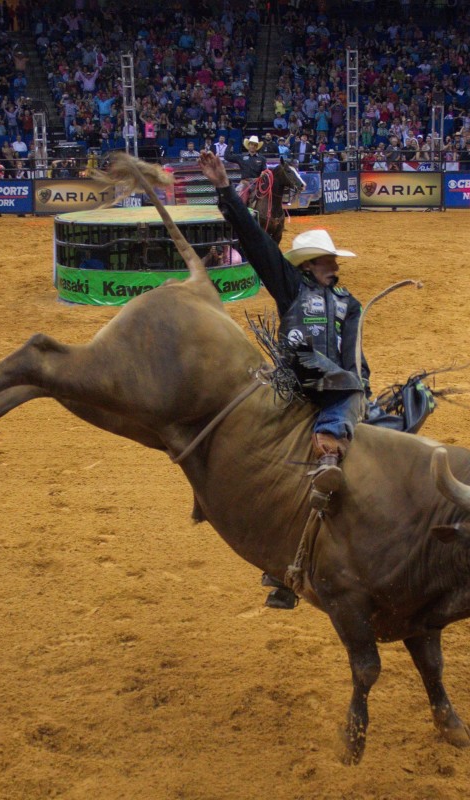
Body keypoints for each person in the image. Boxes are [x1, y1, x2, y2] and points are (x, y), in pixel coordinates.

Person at [201, 149, 368, 610]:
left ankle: (283, 570)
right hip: (297, 380)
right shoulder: (291, 286)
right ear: (309, 265)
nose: (335, 265)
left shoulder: (349, 303)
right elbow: (255, 241)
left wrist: (361, 385)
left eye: (334, 260)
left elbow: (356, 354)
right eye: (327, 260)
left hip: (334, 385)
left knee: (354, 391)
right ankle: (325, 445)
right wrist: (223, 190)